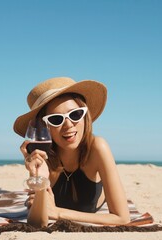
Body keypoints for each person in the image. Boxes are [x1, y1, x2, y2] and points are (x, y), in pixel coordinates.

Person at [13, 77, 130, 227]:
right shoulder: (42, 155)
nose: (68, 125)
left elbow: (122, 218)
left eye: (75, 114)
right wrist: (41, 182)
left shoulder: (98, 147)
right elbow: (37, 223)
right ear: (44, 126)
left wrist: (57, 212)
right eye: (56, 119)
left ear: (85, 116)